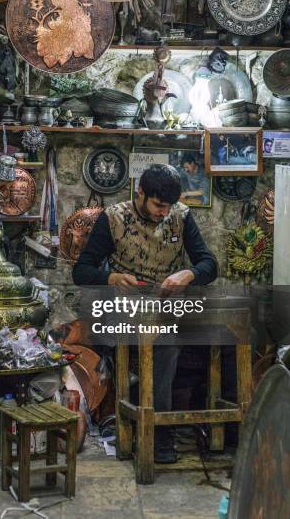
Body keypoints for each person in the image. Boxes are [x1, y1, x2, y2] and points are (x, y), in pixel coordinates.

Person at [72, 164, 218, 463]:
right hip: (125, 308)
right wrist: (111, 279)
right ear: (140, 193)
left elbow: (209, 263)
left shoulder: (181, 216)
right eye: (158, 205)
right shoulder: (113, 217)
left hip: (167, 305)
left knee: (226, 339)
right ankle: (160, 436)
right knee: (165, 344)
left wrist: (188, 274)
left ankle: (224, 433)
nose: (164, 213)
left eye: (169, 206)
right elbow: (81, 271)